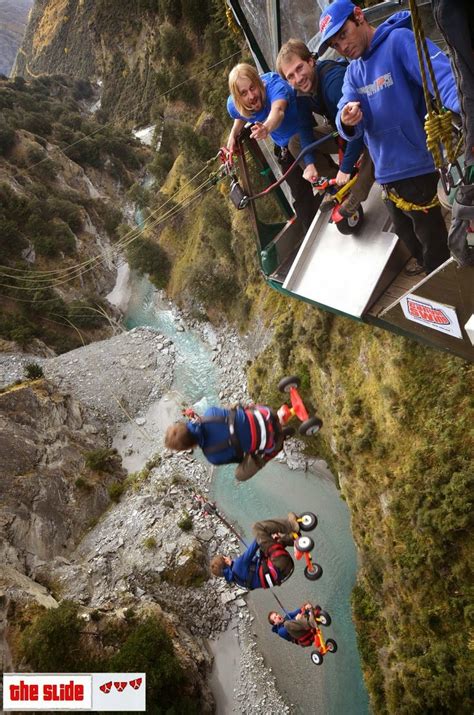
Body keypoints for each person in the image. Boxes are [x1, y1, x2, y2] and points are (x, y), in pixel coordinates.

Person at [319, 0, 460, 275]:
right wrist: (346, 121)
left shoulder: (399, 41)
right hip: (386, 177)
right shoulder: (352, 73)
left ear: (358, 16)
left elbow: (442, 78)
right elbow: (344, 112)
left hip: (417, 165)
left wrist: (465, 109)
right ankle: (430, 272)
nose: (342, 47)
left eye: (343, 35)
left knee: (432, 240)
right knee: (406, 235)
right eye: (335, 45)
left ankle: (445, 284)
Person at [226, 63, 335, 231]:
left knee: (324, 176)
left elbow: (278, 111)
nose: (251, 96)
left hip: (305, 136)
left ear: (259, 82)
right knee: (300, 196)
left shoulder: (275, 87)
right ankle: (313, 233)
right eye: (244, 93)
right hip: (285, 147)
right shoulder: (234, 105)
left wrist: (267, 128)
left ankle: (343, 197)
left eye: (253, 88)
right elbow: (240, 112)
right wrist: (234, 133)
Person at [276, 38, 374, 218]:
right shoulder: (301, 91)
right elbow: (305, 126)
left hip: (368, 124)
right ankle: (339, 184)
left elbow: (357, 127)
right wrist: (310, 163)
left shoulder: (332, 82)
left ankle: (357, 193)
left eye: (300, 68)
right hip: (342, 128)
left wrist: (344, 167)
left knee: (373, 144)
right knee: (296, 143)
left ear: (311, 61)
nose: (298, 78)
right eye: (290, 76)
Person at [165, 404, 293, 482]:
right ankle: (276, 416)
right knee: (233, 410)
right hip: (265, 413)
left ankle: (278, 442)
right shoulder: (211, 412)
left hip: (271, 441)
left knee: (240, 474)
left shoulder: (212, 456)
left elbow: (239, 457)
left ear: (188, 446)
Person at [210, 513, 300, 589]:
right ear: (226, 561)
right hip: (280, 562)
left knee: (269, 545)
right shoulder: (237, 565)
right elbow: (256, 543)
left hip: (284, 571)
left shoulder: (238, 581)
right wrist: (265, 534)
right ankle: (290, 525)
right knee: (258, 528)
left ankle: (294, 540)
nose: (228, 557)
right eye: (225, 557)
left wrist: (269, 539)